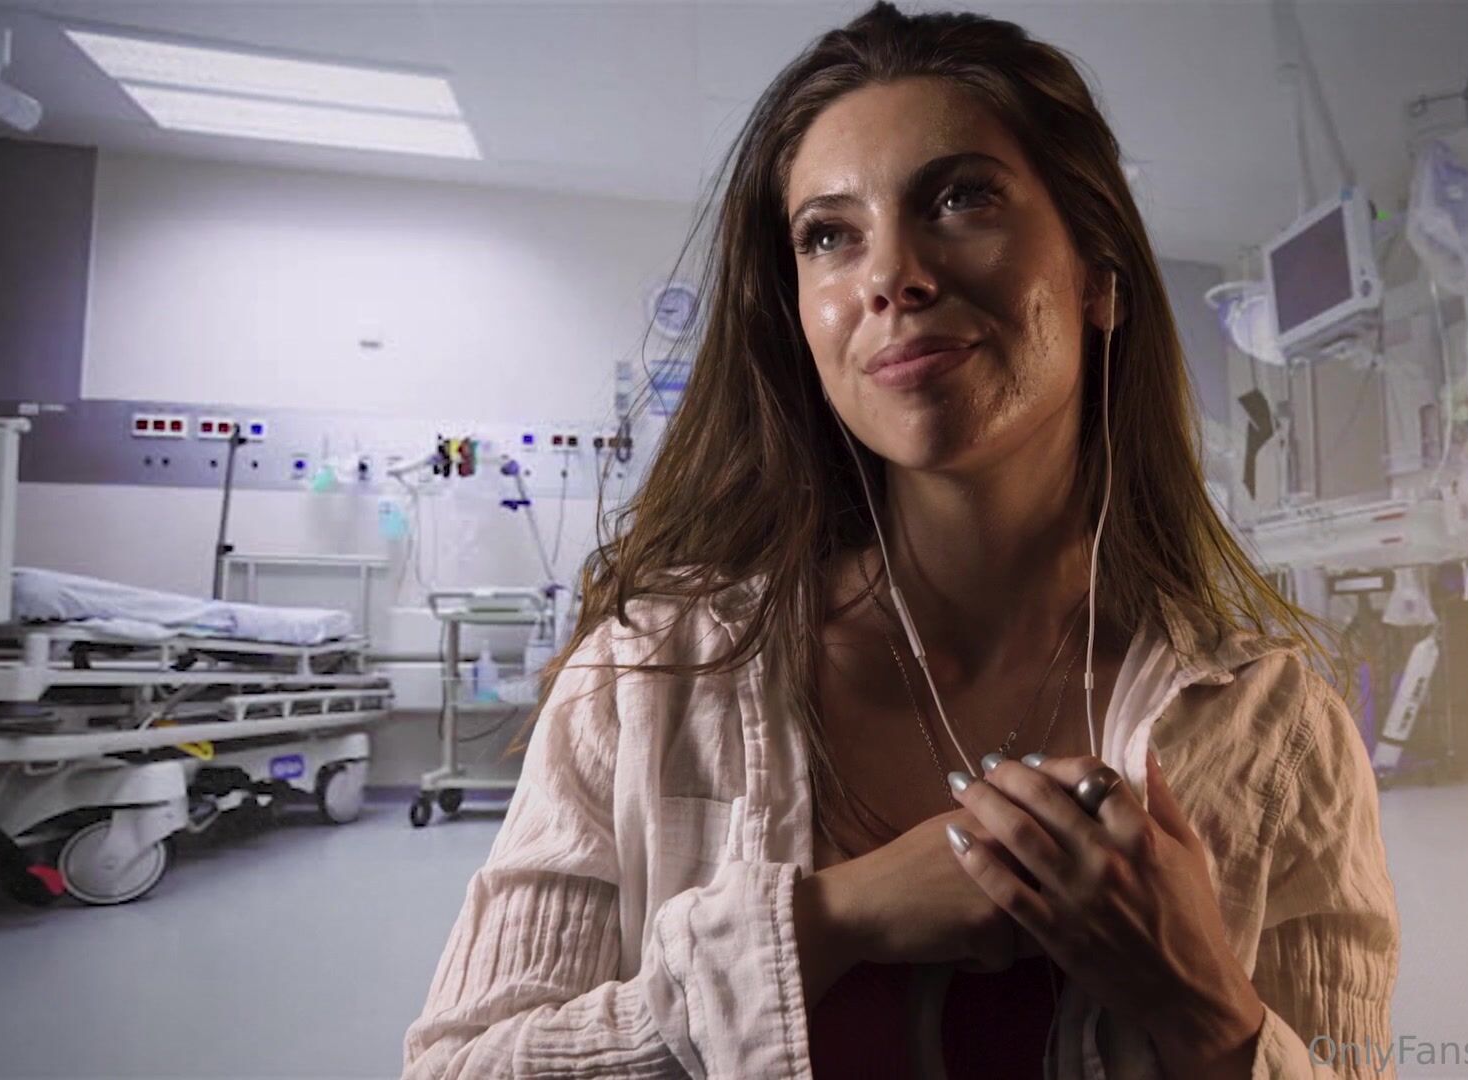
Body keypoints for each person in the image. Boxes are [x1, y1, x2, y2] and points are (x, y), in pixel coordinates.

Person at [403, 4, 1398, 1078]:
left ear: (1099, 274)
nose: (891, 275)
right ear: (799, 316)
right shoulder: (648, 681)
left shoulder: (1274, 733)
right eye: (829, 235)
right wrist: (830, 921)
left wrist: (1208, 1011)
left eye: (962, 198)